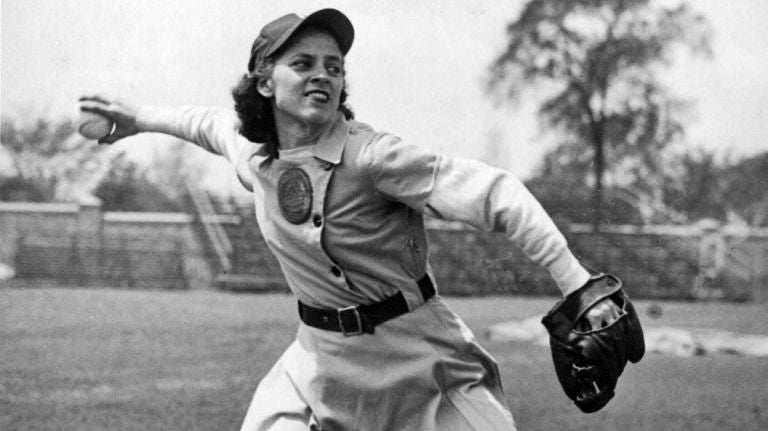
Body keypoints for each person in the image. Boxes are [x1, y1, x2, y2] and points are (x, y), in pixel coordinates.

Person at [79, 8, 622, 431]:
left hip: (420, 356)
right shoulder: (256, 157)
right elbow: (206, 123)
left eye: (334, 67)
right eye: (304, 63)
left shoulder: (373, 157)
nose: (324, 75)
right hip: (320, 360)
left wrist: (580, 286)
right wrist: (137, 120)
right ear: (265, 83)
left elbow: (496, 192)